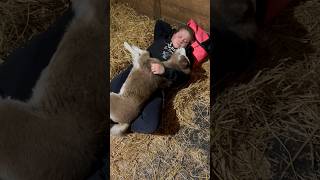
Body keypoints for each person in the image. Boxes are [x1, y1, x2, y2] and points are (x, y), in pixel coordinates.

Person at [110, 20, 196, 134]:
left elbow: (183, 78)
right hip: (136, 74)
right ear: (174, 34)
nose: (181, 41)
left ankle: (127, 120)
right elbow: (160, 23)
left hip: (155, 88)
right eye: (180, 36)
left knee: (150, 126)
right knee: (112, 88)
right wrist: (172, 34)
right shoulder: (161, 39)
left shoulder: (183, 58)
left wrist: (165, 71)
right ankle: (116, 116)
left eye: (185, 41)